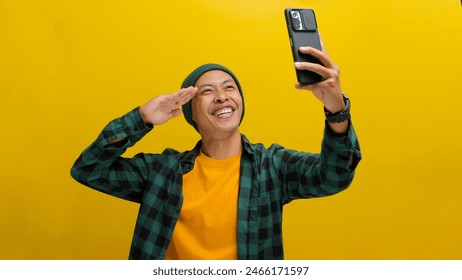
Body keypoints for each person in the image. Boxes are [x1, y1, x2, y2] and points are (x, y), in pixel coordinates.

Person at [70, 45, 362, 260]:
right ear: (190, 114)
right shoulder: (161, 171)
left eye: (229, 88)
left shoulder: (272, 166)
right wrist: (141, 118)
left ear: (240, 102)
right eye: (207, 91)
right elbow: (87, 169)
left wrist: (336, 110)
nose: (222, 96)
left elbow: (333, 177)